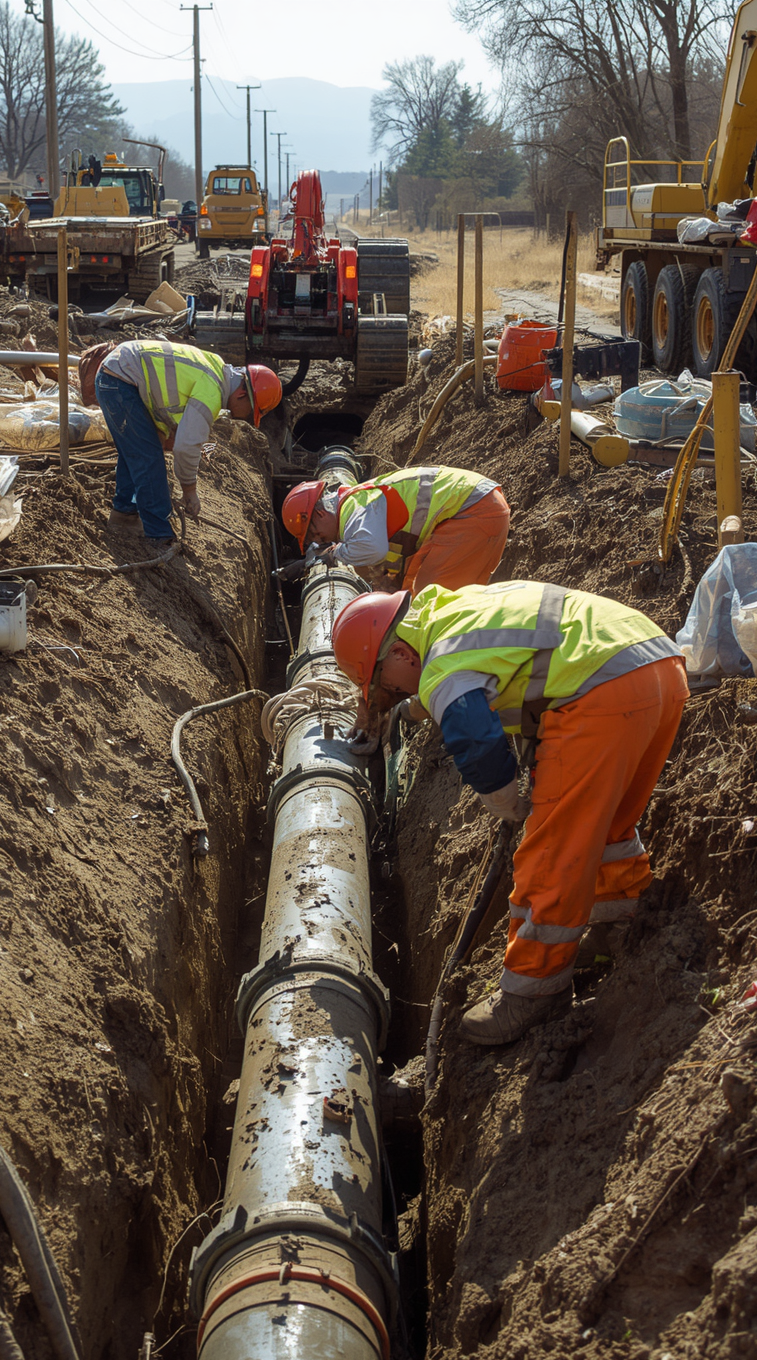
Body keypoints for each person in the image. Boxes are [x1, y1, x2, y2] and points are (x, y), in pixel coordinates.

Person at [331, 581, 689, 1045]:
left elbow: (477, 741)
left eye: (385, 683)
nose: (393, 692)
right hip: (655, 665)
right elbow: (481, 668)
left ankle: (533, 991)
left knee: (551, 848)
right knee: (607, 823)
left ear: (399, 653)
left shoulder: (440, 667)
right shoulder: (452, 610)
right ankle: (619, 920)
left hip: (597, 695)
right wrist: (404, 710)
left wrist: (506, 801)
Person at [95, 342, 282, 543]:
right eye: (250, 412)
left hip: (119, 372)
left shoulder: (216, 368)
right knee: (148, 458)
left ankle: (125, 516)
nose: (244, 417)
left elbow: (167, 397)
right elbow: (186, 447)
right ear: (242, 395)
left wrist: (165, 431)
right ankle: (159, 535)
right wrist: (189, 490)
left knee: (138, 451)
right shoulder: (212, 392)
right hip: (120, 378)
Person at [281, 465, 509, 595]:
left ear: (320, 514)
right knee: (420, 593)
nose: (320, 539)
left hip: (472, 509)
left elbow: (373, 549)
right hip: (475, 507)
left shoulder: (354, 508)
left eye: (315, 534)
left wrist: (332, 554)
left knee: (429, 600)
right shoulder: (357, 501)